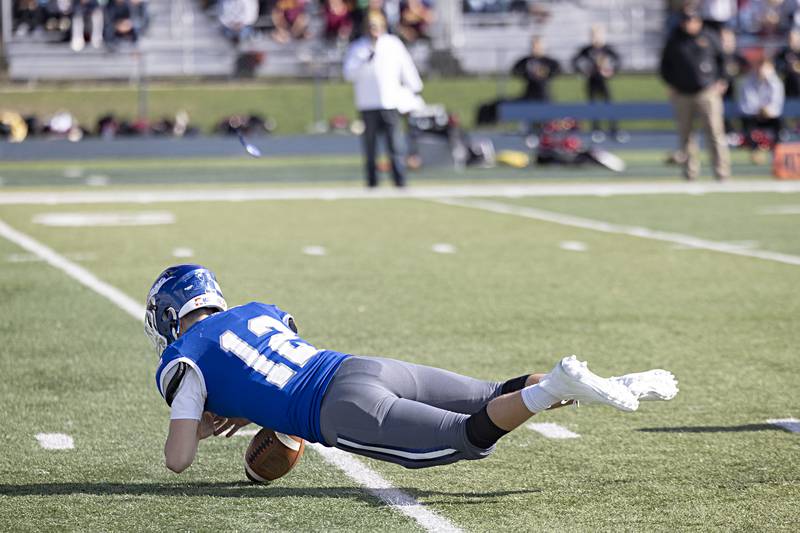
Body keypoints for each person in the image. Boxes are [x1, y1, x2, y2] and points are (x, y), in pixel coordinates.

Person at [146, 264, 679, 473]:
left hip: (339, 408)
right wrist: (241, 404)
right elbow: (270, 367)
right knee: (496, 390)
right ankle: (611, 383)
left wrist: (200, 418)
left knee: (465, 438)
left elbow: (178, 459)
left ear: (171, 315)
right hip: (360, 366)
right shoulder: (255, 310)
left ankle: (556, 388)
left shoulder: (185, 358)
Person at [343, 12, 422, 188]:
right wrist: (365, 61)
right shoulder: (358, 48)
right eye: (371, 26)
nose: (374, 30)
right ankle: (372, 181)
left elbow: (406, 67)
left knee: (395, 144)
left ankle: (399, 180)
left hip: (389, 102)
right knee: (370, 147)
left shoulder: (393, 44)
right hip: (367, 104)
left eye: (377, 26)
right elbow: (349, 74)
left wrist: (415, 88)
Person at [660, 7, 731, 181]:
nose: (688, 24)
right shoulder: (675, 40)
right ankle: (690, 172)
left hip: (707, 92)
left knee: (715, 132)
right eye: (685, 20)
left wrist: (722, 80)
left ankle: (721, 171)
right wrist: (671, 84)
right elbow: (664, 66)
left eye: (691, 20)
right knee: (686, 135)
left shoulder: (709, 37)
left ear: (698, 21)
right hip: (683, 93)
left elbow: (723, 60)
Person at [571, 24, 622, 142]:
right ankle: (596, 129)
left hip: (603, 81)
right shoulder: (587, 50)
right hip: (591, 81)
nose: (596, 37)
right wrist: (583, 72)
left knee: (609, 104)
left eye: (598, 35)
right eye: (593, 35)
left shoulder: (607, 49)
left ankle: (614, 129)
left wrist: (611, 71)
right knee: (593, 105)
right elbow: (575, 62)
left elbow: (617, 61)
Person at [738, 60, 785, 163]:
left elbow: (777, 103)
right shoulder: (747, 82)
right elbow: (746, 103)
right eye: (760, 68)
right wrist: (759, 110)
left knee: (779, 124)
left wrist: (768, 110)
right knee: (747, 125)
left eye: (766, 68)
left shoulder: (776, 83)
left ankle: (777, 154)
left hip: (770, 116)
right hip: (753, 116)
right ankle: (755, 152)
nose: (762, 71)